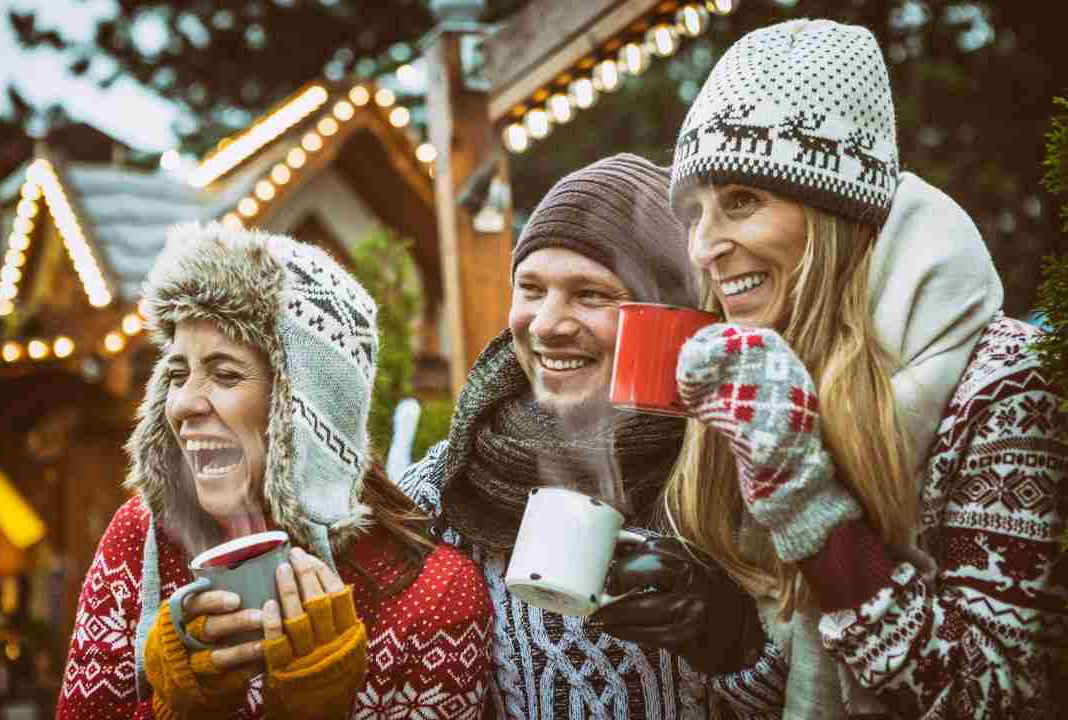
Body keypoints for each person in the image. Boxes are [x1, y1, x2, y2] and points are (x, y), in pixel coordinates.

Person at [643, 18, 1067, 718]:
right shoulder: (774, 385)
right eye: (693, 214)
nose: (703, 248)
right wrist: (717, 640)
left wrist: (813, 513)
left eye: (741, 201)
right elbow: (799, 686)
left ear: (832, 210)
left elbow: (999, 696)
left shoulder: (1007, 381)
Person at [57, 222, 493, 719]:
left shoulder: (434, 597)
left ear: (309, 406)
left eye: (224, 374)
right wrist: (174, 711)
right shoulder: (141, 541)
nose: (182, 405)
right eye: (177, 374)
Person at [399, 153, 761, 719]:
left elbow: (845, 696)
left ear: (669, 314)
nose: (546, 324)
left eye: (591, 294)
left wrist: (732, 641)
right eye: (531, 289)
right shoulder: (443, 487)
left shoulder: (740, 473)